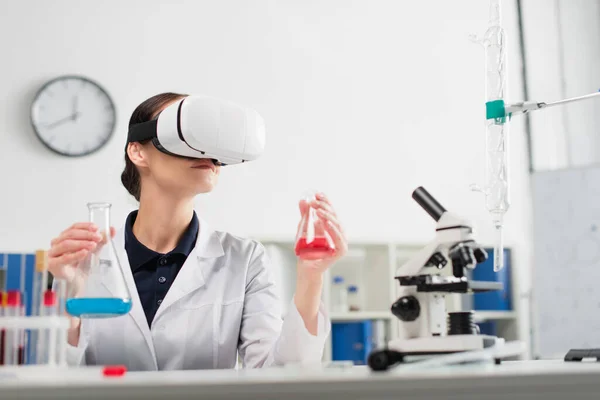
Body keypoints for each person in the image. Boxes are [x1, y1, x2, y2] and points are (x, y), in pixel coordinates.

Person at [46, 92, 348, 371]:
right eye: (186, 135)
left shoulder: (245, 259)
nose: (205, 151)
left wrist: (311, 276)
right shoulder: (86, 258)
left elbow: (278, 376)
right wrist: (69, 294)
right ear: (138, 152)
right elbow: (55, 372)